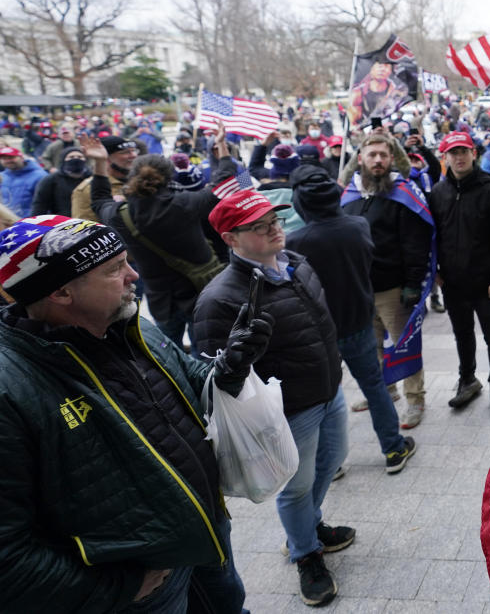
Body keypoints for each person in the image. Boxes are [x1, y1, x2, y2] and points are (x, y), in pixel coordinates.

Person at [0, 214, 263, 612]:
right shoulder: (12, 389)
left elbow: (194, 383)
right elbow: (9, 558)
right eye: (114, 269)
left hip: (206, 537)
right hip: (140, 589)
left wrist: (231, 365)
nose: (133, 276)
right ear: (61, 293)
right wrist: (116, 588)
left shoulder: (131, 325)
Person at [195, 190, 353, 606]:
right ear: (231, 239)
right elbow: (215, 378)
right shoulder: (220, 298)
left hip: (329, 389)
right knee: (296, 486)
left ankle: (308, 527)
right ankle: (305, 553)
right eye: (258, 226)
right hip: (289, 411)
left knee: (333, 459)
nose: (273, 228)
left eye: (275, 219)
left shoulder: (296, 264)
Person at [286, 166, 417, 474]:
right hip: (357, 323)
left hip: (321, 331)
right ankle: (393, 449)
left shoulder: (295, 243)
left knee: (324, 398)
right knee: (374, 387)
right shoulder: (358, 226)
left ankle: (331, 464)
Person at [84, 135, 234, 354]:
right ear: (168, 176)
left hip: (161, 299)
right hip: (201, 292)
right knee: (206, 352)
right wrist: (223, 151)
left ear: (132, 177)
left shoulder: (121, 215)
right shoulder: (186, 203)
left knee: (169, 354)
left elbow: (98, 200)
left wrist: (99, 164)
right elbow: (226, 184)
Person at [341, 135, 435, 430]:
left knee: (405, 345)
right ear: (361, 159)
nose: (378, 160)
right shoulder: (348, 197)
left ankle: (415, 398)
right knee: (373, 349)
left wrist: (412, 284)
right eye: (372, 155)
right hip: (359, 290)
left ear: (392, 159)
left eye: (383, 155)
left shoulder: (403, 195)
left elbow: (415, 245)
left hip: (394, 289)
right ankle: (385, 391)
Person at [429, 131, 490, 423]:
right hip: (453, 284)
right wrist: (436, 273)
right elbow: (433, 236)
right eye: (453, 153)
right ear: (445, 158)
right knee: (462, 335)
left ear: (474, 154)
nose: (459, 157)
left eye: (464, 151)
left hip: (487, 285)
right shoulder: (438, 193)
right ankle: (467, 380)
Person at [72, 136, 137, 222]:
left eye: (134, 151)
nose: (133, 155)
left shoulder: (142, 181)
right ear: (107, 158)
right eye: (125, 152)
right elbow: (85, 227)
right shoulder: (87, 189)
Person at [31, 146, 90, 216]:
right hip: (62, 221)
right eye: (71, 157)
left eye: (80, 157)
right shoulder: (51, 180)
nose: (76, 159)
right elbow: (40, 205)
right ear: (63, 160)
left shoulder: (91, 178)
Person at [350, 59, 409, 125]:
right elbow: (354, 122)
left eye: (386, 66)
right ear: (372, 70)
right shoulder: (359, 93)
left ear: (390, 71)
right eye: (379, 66)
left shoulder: (397, 91)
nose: (382, 69)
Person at [0, 145, 46, 218]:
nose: (8, 161)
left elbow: (45, 203)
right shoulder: (2, 176)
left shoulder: (40, 176)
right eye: (4, 158)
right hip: (7, 222)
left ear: (21, 157)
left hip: (30, 223)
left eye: (11, 157)